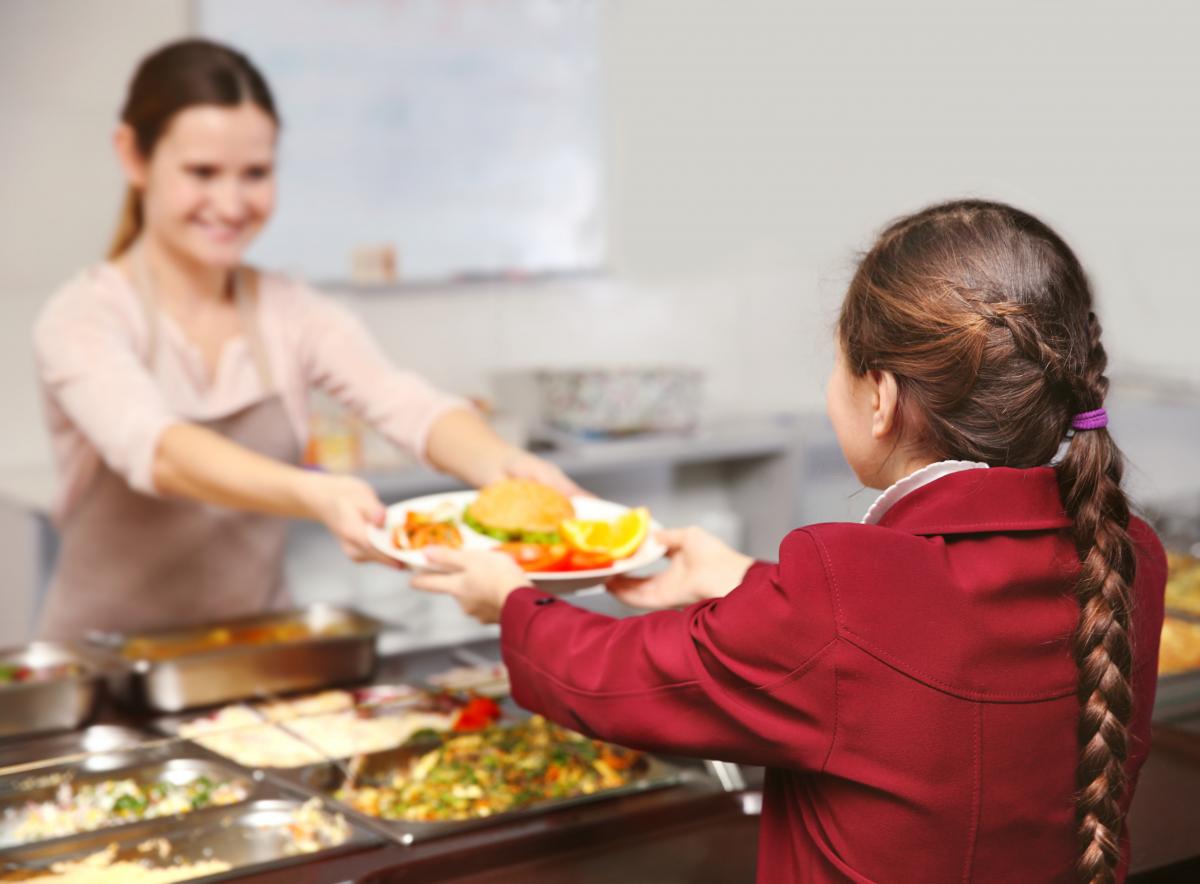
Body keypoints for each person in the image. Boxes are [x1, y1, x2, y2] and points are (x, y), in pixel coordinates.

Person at [410, 200, 1168, 883]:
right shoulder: (1128, 554)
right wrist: (743, 578)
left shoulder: (843, 587)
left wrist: (509, 600)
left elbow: (617, 677)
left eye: (837, 365)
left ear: (881, 398)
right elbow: (917, 648)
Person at [33, 38, 578, 641]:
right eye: (202, 172)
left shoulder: (291, 310)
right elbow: (160, 452)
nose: (231, 204)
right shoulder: (82, 317)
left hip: (259, 654)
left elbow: (404, 402)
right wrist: (315, 494)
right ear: (133, 157)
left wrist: (503, 465)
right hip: (107, 665)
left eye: (255, 174)